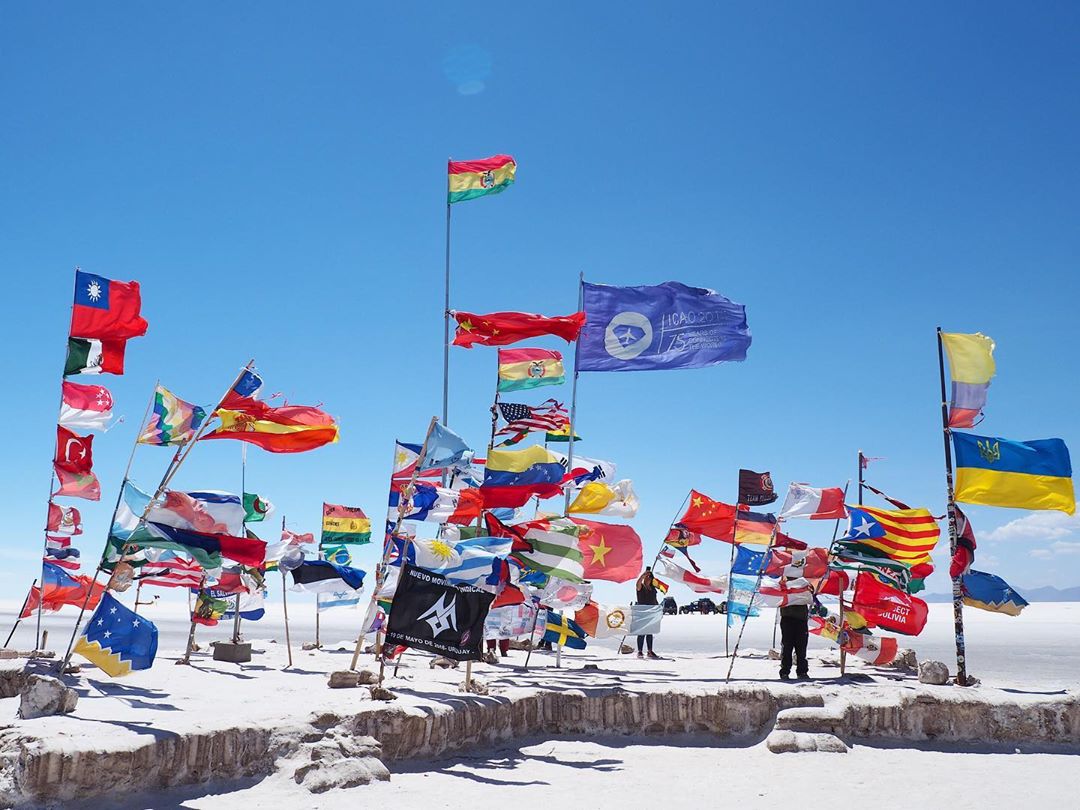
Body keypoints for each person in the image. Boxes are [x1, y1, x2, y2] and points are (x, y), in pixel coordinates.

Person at [779, 598, 810, 680]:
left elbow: (811, 594)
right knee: (787, 646)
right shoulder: (784, 586)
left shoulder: (804, 586)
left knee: (801, 646)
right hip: (787, 618)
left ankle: (802, 671)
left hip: (801, 619)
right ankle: (785, 671)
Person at [635, 568, 660, 659]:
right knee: (641, 632)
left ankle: (650, 651)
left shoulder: (652, 589)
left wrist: (658, 609)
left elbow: (654, 600)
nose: (647, 579)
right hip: (642, 613)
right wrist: (642, 575)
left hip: (651, 612)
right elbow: (637, 584)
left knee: (650, 632)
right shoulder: (641, 587)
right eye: (647, 577)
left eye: (649, 577)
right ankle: (640, 651)